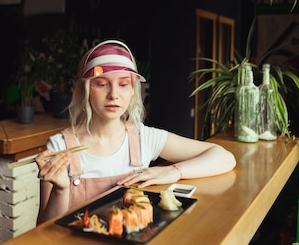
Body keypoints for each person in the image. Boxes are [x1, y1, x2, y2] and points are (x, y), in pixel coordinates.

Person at [35, 40, 236, 224]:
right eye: (102, 84)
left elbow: (224, 158)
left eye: (123, 84)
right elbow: (43, 228)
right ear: (86, 89)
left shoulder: (144, 138)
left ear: (132, 90)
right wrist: (61, 190)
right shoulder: (60, 146)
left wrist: (172, 171)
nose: (114, 94)